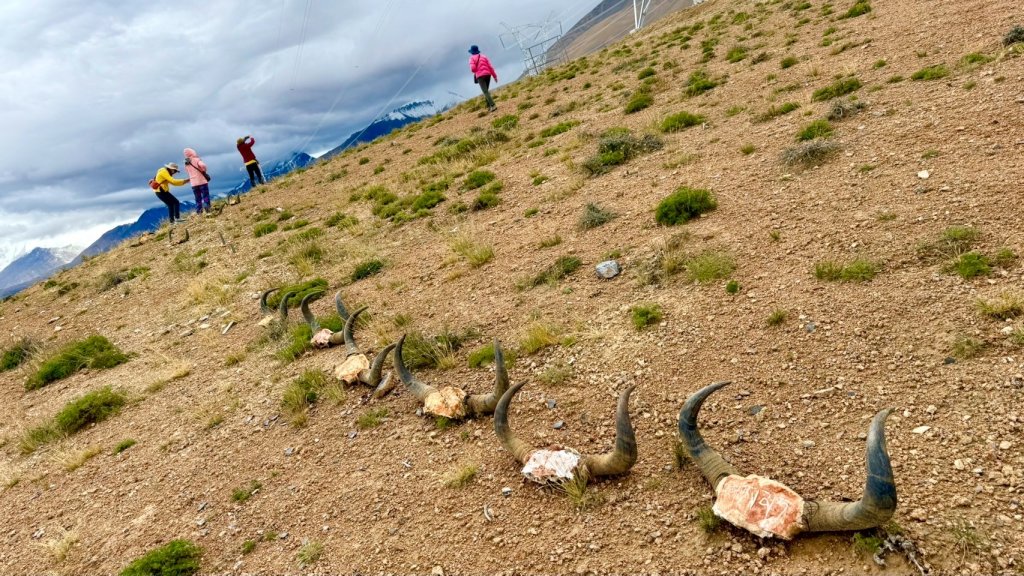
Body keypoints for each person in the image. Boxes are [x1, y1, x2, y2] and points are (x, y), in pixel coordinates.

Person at [468, 45, 498, 113]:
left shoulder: (471, 58)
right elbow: (490, 67)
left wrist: (475, 70)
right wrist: (495, 76)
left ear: (472, 52)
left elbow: (473, 69)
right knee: (486, 91)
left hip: (480, 76)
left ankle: (493, 105)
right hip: (488, 75)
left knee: (485, 92)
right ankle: (489, 106)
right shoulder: (484, 56)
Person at [183, 148, 212, 216]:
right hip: (202, 181)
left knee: (198, 198)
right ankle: (207, 208)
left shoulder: (186, 163)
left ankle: (199, 211)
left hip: (193, 184)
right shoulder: (196, 159)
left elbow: (187, 171)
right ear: (193, 152)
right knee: (205, 195)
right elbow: (203, 165)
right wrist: (204, 170)